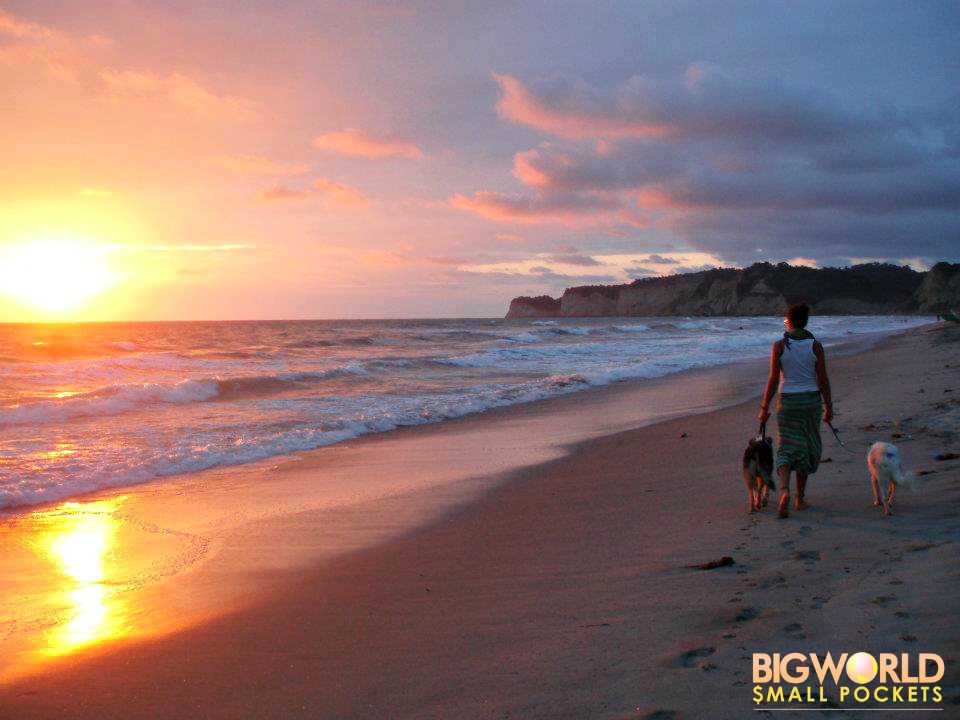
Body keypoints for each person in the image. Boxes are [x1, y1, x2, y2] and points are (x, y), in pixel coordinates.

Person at [758, 304, 833, 518]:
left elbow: (773, 380)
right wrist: (829, 406)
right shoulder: (815, 345)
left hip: (787, 401)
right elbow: (823, 379)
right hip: (810, 402)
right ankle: (800, 498)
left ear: (789, 321)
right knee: (807, 447)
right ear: (805, 322)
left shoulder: (779, 346)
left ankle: (783, 492)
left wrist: (764, 407)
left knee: (786, 446)